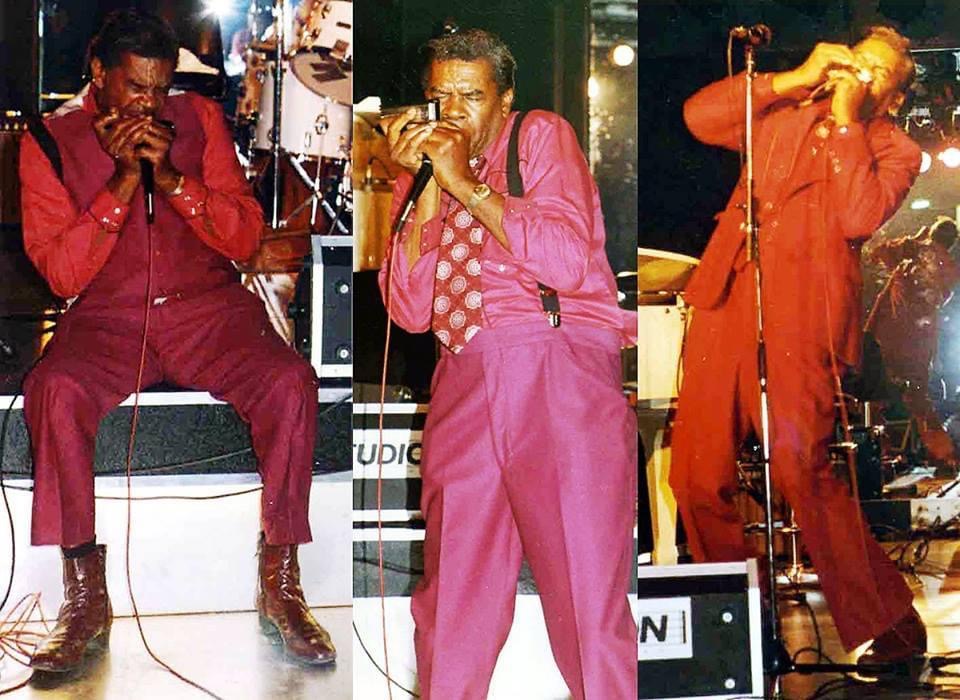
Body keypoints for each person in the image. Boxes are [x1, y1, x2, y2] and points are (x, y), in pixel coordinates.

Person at [18, 10, 335, 671]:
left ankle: (281, 585)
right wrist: (121, 182)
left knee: (289, 382)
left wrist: (173, 181)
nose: (150, 104)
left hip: (209, 312)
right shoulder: (47, 140)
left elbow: (244, 238)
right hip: (106, 318)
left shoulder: (200, 119)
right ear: (99, 73)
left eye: (161, 88)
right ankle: (85, 597)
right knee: (53, 389)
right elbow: (62, 274)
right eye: (136, 87)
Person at [378, 29, 637, 700]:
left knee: (585, 599)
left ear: (504, 98)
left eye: (471, 95)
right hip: (463, 374)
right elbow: (409, 309)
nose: (452, 111)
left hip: (554, 366)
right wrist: (427, 188)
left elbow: (565, 261)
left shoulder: (539, 135)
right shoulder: (429, 171)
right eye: (439, 96)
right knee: (451, 603)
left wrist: (465, 185)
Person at [670, 26, 926, 663]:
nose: (857, 73)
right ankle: (737, 627)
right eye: (855, 60)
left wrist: (845, 122)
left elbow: (857, 216)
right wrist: (792, 78)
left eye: (875, 73)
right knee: (695, 474)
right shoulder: (782, 108)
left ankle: (891, 624)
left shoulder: (895, 149)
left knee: (799, 468)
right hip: (729, 294)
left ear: (893, 98)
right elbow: (699, 117)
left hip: (805, 315)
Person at [865, 216, 960, 461]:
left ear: (932, 233)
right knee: (919, 401)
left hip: (888, 337)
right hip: (920, 344)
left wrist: (916, 238)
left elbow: (878, 252)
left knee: (873, 394)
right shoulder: (951, 269)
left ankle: (878, 451)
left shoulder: (915, 250)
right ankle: (944, 454)